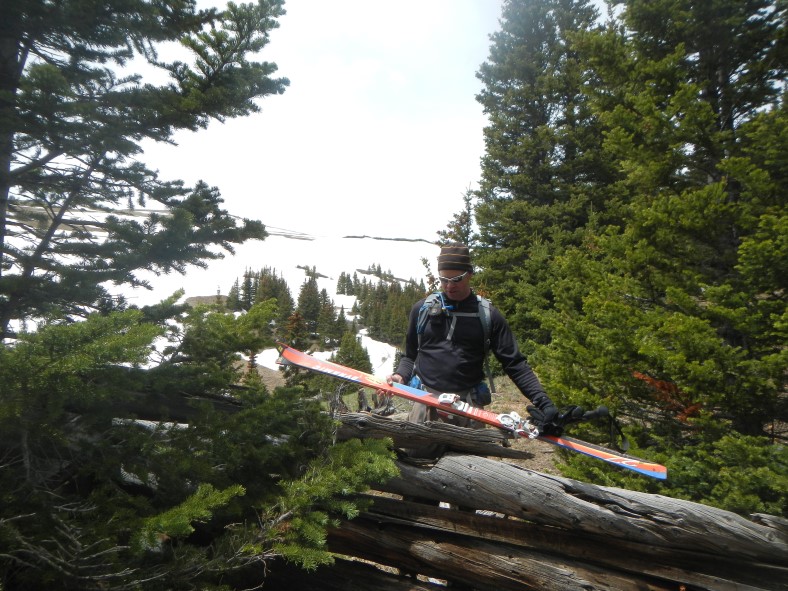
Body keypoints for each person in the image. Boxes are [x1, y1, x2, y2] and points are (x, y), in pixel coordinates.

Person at [386, 243, 558, 457]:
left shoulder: (488, 316)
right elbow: (410, 355)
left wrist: (543, 402)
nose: (449, 286)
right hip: (426, 405)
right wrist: (400, 375)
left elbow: (515, 364)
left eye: (456, 279)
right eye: (443, 279)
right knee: (416, 475)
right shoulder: (421, 310)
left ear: (470, 274)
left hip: (469, 411)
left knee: (470, 477)